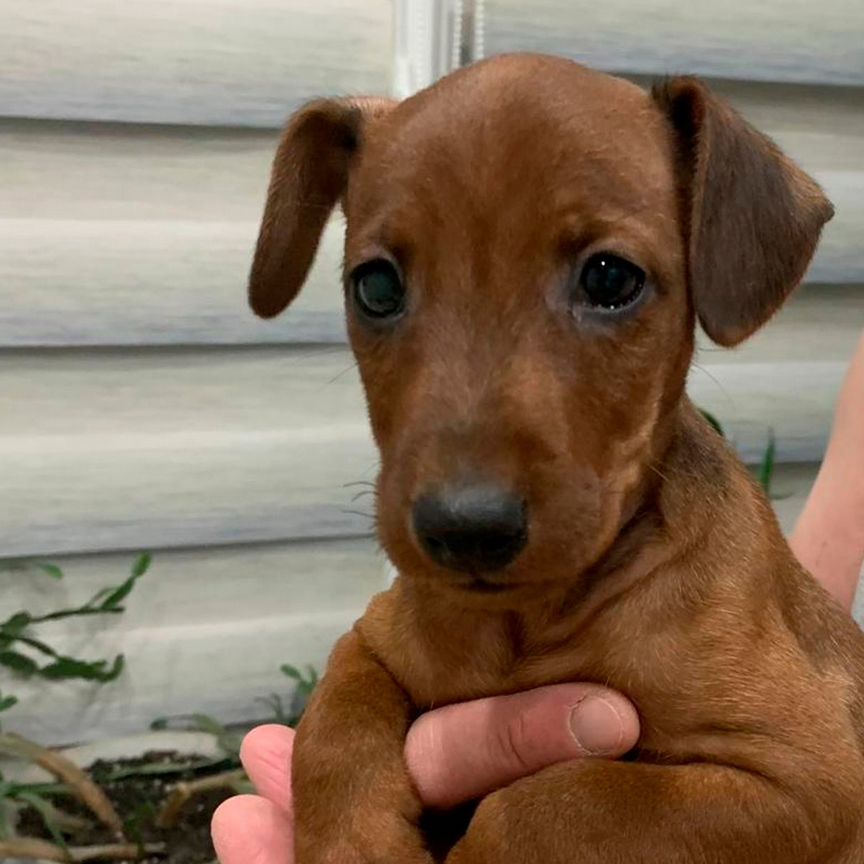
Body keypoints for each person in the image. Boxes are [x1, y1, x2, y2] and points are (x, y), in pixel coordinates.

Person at [212, 333, 864, 864]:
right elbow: (379, 652)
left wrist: (529, 831)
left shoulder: (699, 577)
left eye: (607, 283)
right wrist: (343, 784)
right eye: (384, 290)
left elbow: (814, 786)